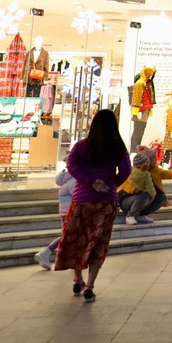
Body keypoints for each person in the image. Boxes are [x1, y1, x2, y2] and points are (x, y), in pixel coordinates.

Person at [55, 109, 131, 302]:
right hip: (107, 202)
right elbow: (126, 170)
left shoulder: (82, 146)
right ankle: (90, 285)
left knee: (76, 239)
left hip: (82, 200)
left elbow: (72, 166)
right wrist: (111, 183)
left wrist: (90, 181)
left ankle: (77, 278)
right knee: (99, 243)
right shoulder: (118, 147)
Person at [34, 168, 75, 270]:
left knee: (70, 236)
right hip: (71, 213)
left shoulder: (66, 181)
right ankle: (45, 252)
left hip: (64, 213)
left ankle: (70, 259)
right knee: (68, 235)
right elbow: (78, 196)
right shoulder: (73, 181)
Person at [117, 151, 158, 225]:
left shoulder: (129, 170)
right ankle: (131, 215)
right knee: (148, 196)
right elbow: (152, 191)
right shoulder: (145, 175)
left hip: (121, 202)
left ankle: (138, 214)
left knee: (144, 195)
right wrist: (151, 200)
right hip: (127, 203)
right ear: (145, 165)